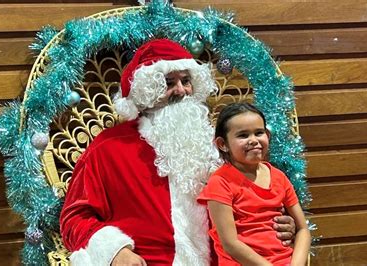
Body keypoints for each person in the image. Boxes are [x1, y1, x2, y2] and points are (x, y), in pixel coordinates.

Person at [59, 39, 296, 266]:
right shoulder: (109, 148)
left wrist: (280, 224)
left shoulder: (215, 145)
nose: (181, 90)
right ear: (146, 91)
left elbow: (253, 199)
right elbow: (74, 219)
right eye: (168, 83)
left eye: (186, 80)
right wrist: (115, 251)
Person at [198, 103, 310, 266]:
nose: (253, 140)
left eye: (259, 132)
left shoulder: (279, 177)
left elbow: (302, 229)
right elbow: (230, 244)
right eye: (243, 135)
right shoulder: (220, 182)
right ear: (223, 144)